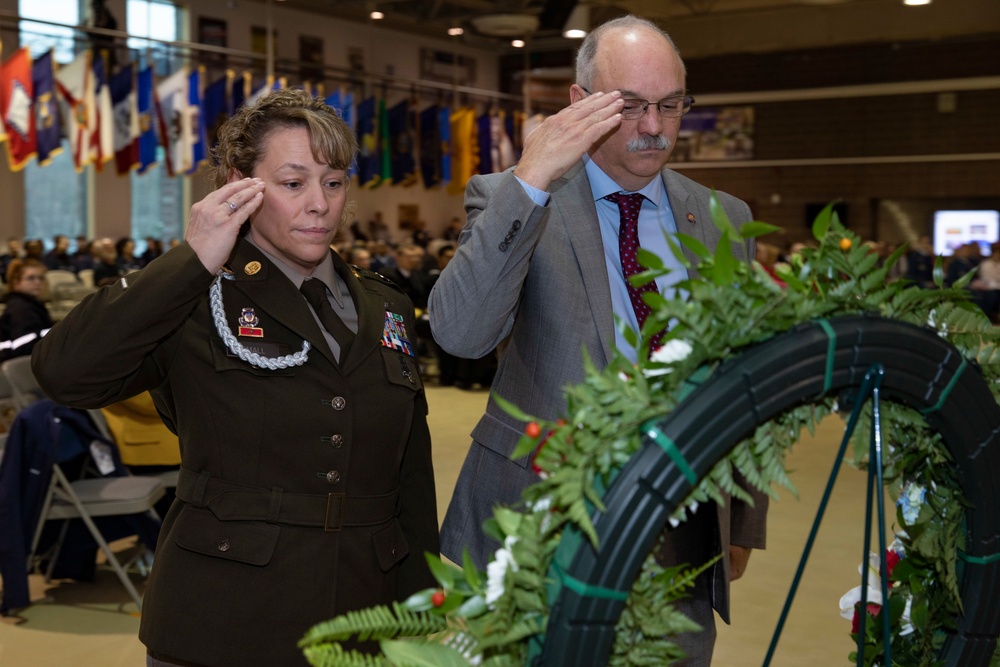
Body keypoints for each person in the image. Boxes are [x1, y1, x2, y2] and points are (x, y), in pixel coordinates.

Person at [33, 88, 439, 667]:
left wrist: (419, 606)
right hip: (225, 618)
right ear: (238, 185)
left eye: (333, 181)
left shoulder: (385, 305)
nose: (320, 204)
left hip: (362, 615)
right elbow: (65, 375)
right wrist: (190, 259)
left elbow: (410, 474)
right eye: (293, 183)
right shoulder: (195, 298)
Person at [428, 15, 766, 666]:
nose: (653, 126)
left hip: (683, 545)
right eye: (631, 105)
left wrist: (741, 522)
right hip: (539, 536)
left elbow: (748, 381)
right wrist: (530, 181)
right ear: (582, 105)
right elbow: (461, 333)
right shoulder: (514, 198)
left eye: (670, 105)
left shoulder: (725, 218)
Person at [0, 258, 52, 362]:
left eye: (41, 278)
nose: (37, 282)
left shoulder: (32, 305)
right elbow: (23, 348)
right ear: (16, 282)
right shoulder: (20, 308)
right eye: (31, 278)